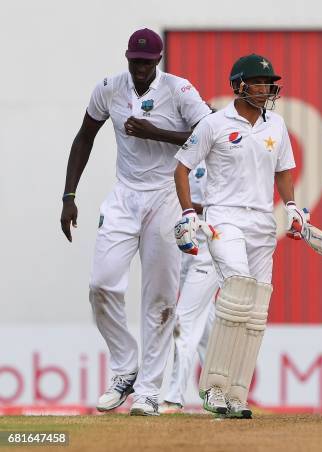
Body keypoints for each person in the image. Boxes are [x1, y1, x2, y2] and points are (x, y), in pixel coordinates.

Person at [60, 28, 212, 415]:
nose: (140, 69)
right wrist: (69, 196)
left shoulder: (178, 90)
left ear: (158, 60)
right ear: (126, 57)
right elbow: (84, 137)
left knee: (160, 299)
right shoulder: (109, 88)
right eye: (134, 61)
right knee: (101, 284)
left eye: (146, 63)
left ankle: (147, 391)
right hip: (125, 195)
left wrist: (156, 133)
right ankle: (126, 366)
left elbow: (211, 133)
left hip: (166, 195)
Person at [173, 54, 301, 418]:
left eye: (268, 83)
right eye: (258, 82)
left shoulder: (275, 125)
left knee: (256, 310)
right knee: (238, 293)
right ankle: (213, 389)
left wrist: (292, 207)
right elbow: (181, 169)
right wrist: (187, 213)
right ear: (239, 85)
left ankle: (236, 392)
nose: (265, 89)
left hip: (262, 222)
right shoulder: (214, 124)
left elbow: (284, 171)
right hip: (223, 219)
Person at [159, 164, 217, 414]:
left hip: (208, 247)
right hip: (183, 248)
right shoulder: (181, 154)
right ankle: (220, 390)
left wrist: (186, 204)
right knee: (206, 326)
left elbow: (225, 202)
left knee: (184, 319)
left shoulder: (219, 149)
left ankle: (174, 396)